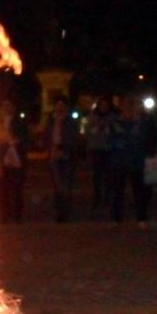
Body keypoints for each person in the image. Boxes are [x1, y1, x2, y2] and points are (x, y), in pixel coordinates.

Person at [107, 92, 157, 226]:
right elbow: (111, 142)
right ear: (122, 107)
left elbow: (149, 141)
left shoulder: (143, 123)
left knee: (140, 192)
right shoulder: (115, 123)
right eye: (127, 105)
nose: (129, 108)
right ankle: (116, 218)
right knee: (117, 192)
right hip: (120, 162)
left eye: (132, 105)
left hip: (137, 161)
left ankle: (141, 217)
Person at [43, 95, 78, 223]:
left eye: (62, 105)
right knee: (57, 185)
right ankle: (59, 211)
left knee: (66, 185)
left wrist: (63, 149)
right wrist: (50, 149)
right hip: (53, 155)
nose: (60, 108)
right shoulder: (51, 120)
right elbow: (46, 136)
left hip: (67, 156)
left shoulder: (70, 121)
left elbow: (73, 138)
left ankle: (66, 212)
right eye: (58, 105)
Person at [0, 99, 28, 223]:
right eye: (4, 106)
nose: (6, 108)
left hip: (17, 158)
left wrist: (17, 142)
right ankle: (6, 215)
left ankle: (17, 216)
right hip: (3, 159)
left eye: (9, 105)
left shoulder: (19, 122)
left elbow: (25, 138)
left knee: (17, 189)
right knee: (4, 190)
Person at [86, 94, 113, 211]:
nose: (104, 107)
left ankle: (107, 197)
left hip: (108, 149)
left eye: (106, 105)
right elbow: (89, 131)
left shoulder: (112, 117)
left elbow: (113, 131)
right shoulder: (92, 116)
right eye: (102, 105)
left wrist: (104, 129)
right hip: (96, 149)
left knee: (108, 176)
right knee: (96, 176)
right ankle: (97, 198)